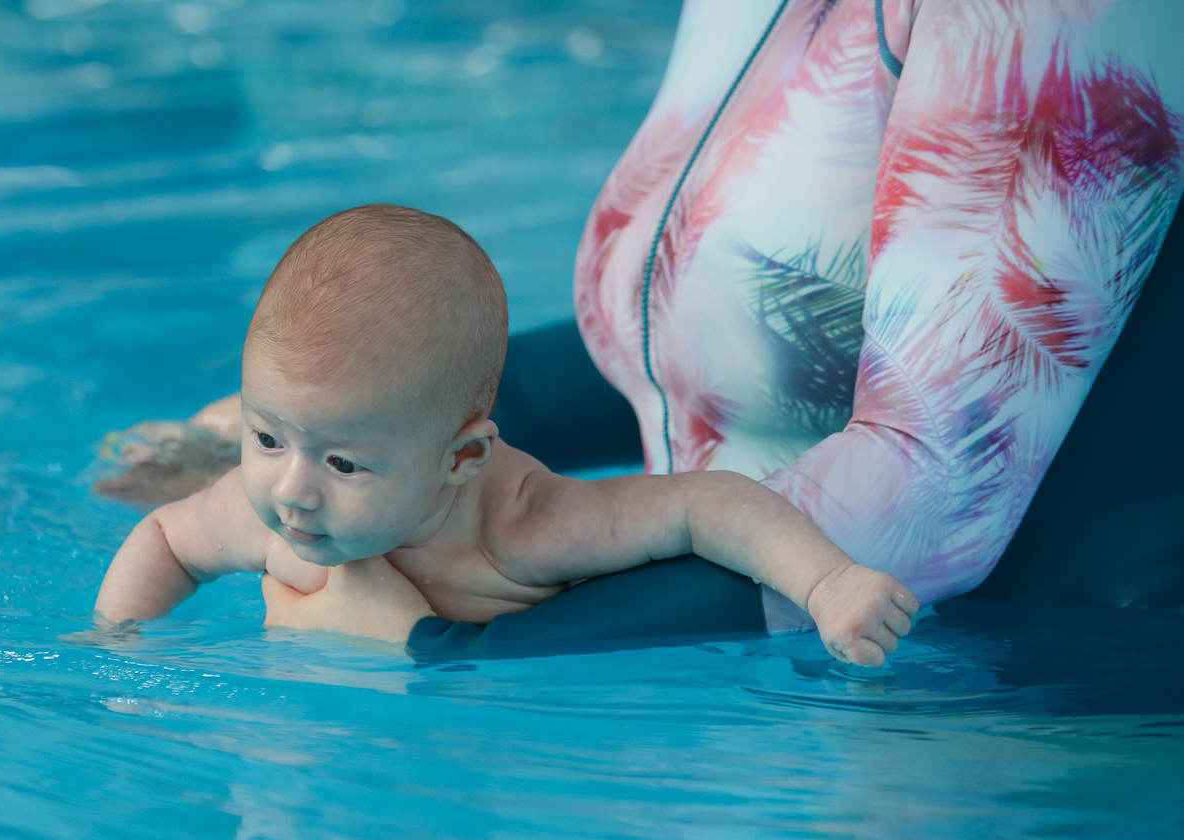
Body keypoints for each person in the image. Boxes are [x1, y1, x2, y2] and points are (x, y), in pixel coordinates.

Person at [98, 1, 1184, 649]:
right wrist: (306, 424)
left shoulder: (1049, 22)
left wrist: (454, 649)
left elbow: (930, 496)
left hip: (1001, 696)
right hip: (713, 672)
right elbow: (693, 337)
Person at [93, 205, 919, 666]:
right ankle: (217, 429)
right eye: (269, 439)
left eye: (343, 462)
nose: (292, 490)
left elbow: (704, 505)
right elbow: (167, 537)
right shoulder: (272, 513)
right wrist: (115, 643)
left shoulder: (520, 528)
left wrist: (829, 584)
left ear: (464, 459)